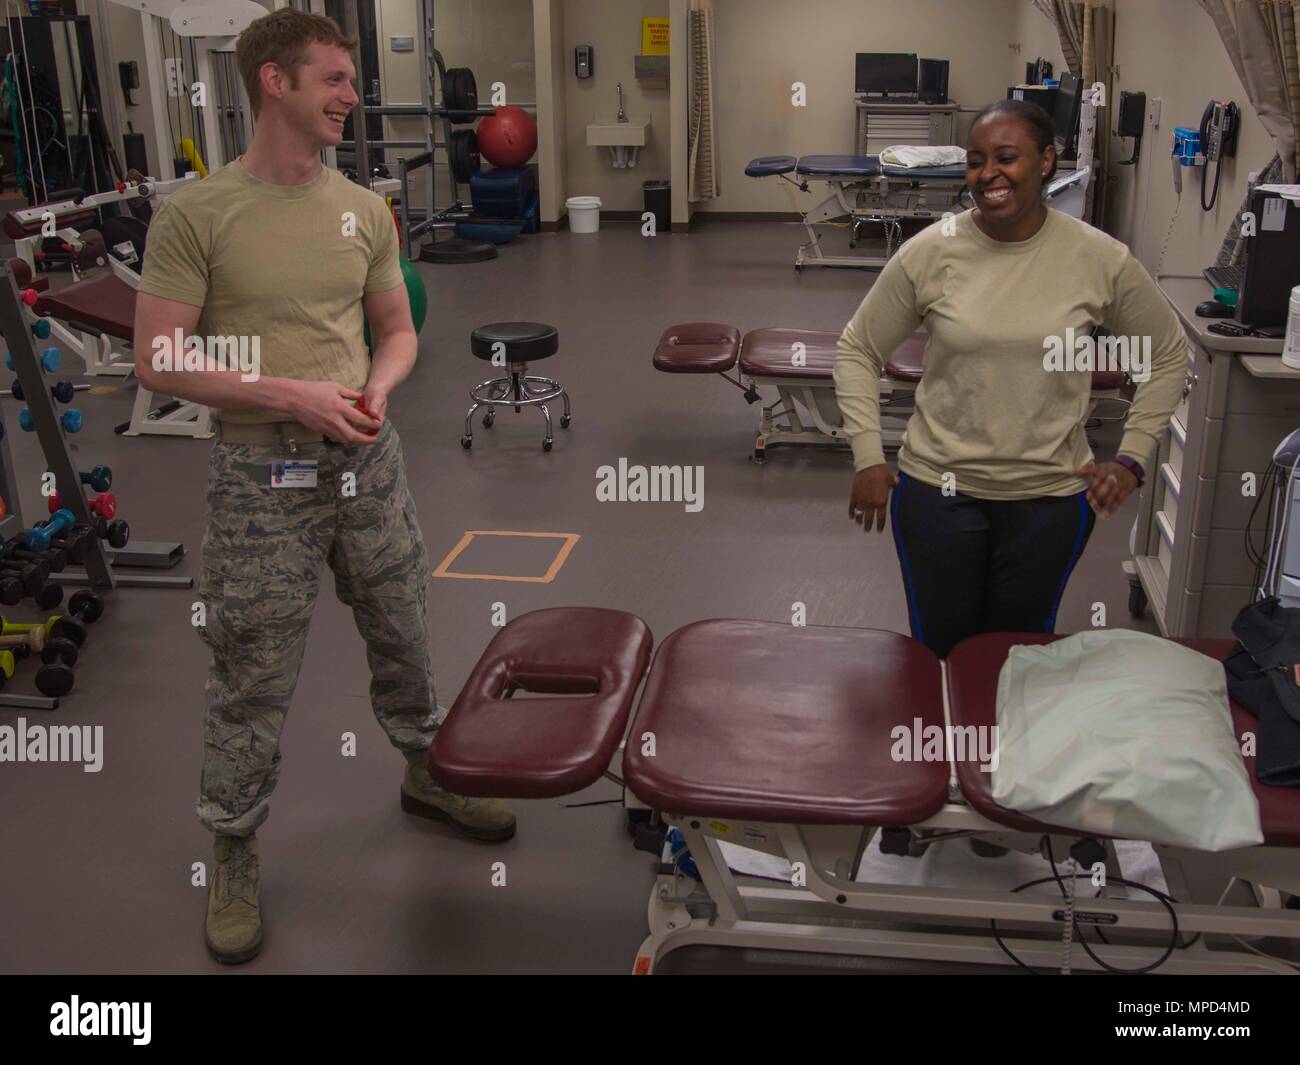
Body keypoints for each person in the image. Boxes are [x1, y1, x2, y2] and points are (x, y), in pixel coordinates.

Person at [133, 8, 515, 966]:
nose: (351, 96)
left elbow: (397, 328)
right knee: (252, 666)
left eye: (351, 80)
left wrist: (376, 389)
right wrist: (287, 393)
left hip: (365, 461)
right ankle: (232, 841)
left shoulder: (360, 209)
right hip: (262, 474)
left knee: (403, 622)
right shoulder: (197, 212)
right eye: (335, 79)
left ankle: (426, 770)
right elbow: (158, 356)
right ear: (276, 82)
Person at [835, 99, 1186, 659]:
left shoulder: (1098, 258)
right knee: (940, 656)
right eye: (976, 161)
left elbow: (1169, 355)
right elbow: (857, 348)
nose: (988, 175)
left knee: (1017, 658)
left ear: (1046, 161)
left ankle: (1001, 750)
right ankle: (941, 748)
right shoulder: (930, 252)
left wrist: (1132, 457)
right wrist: (868, 456)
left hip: (1047, 502)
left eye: (1006, 158)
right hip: (937, 494)